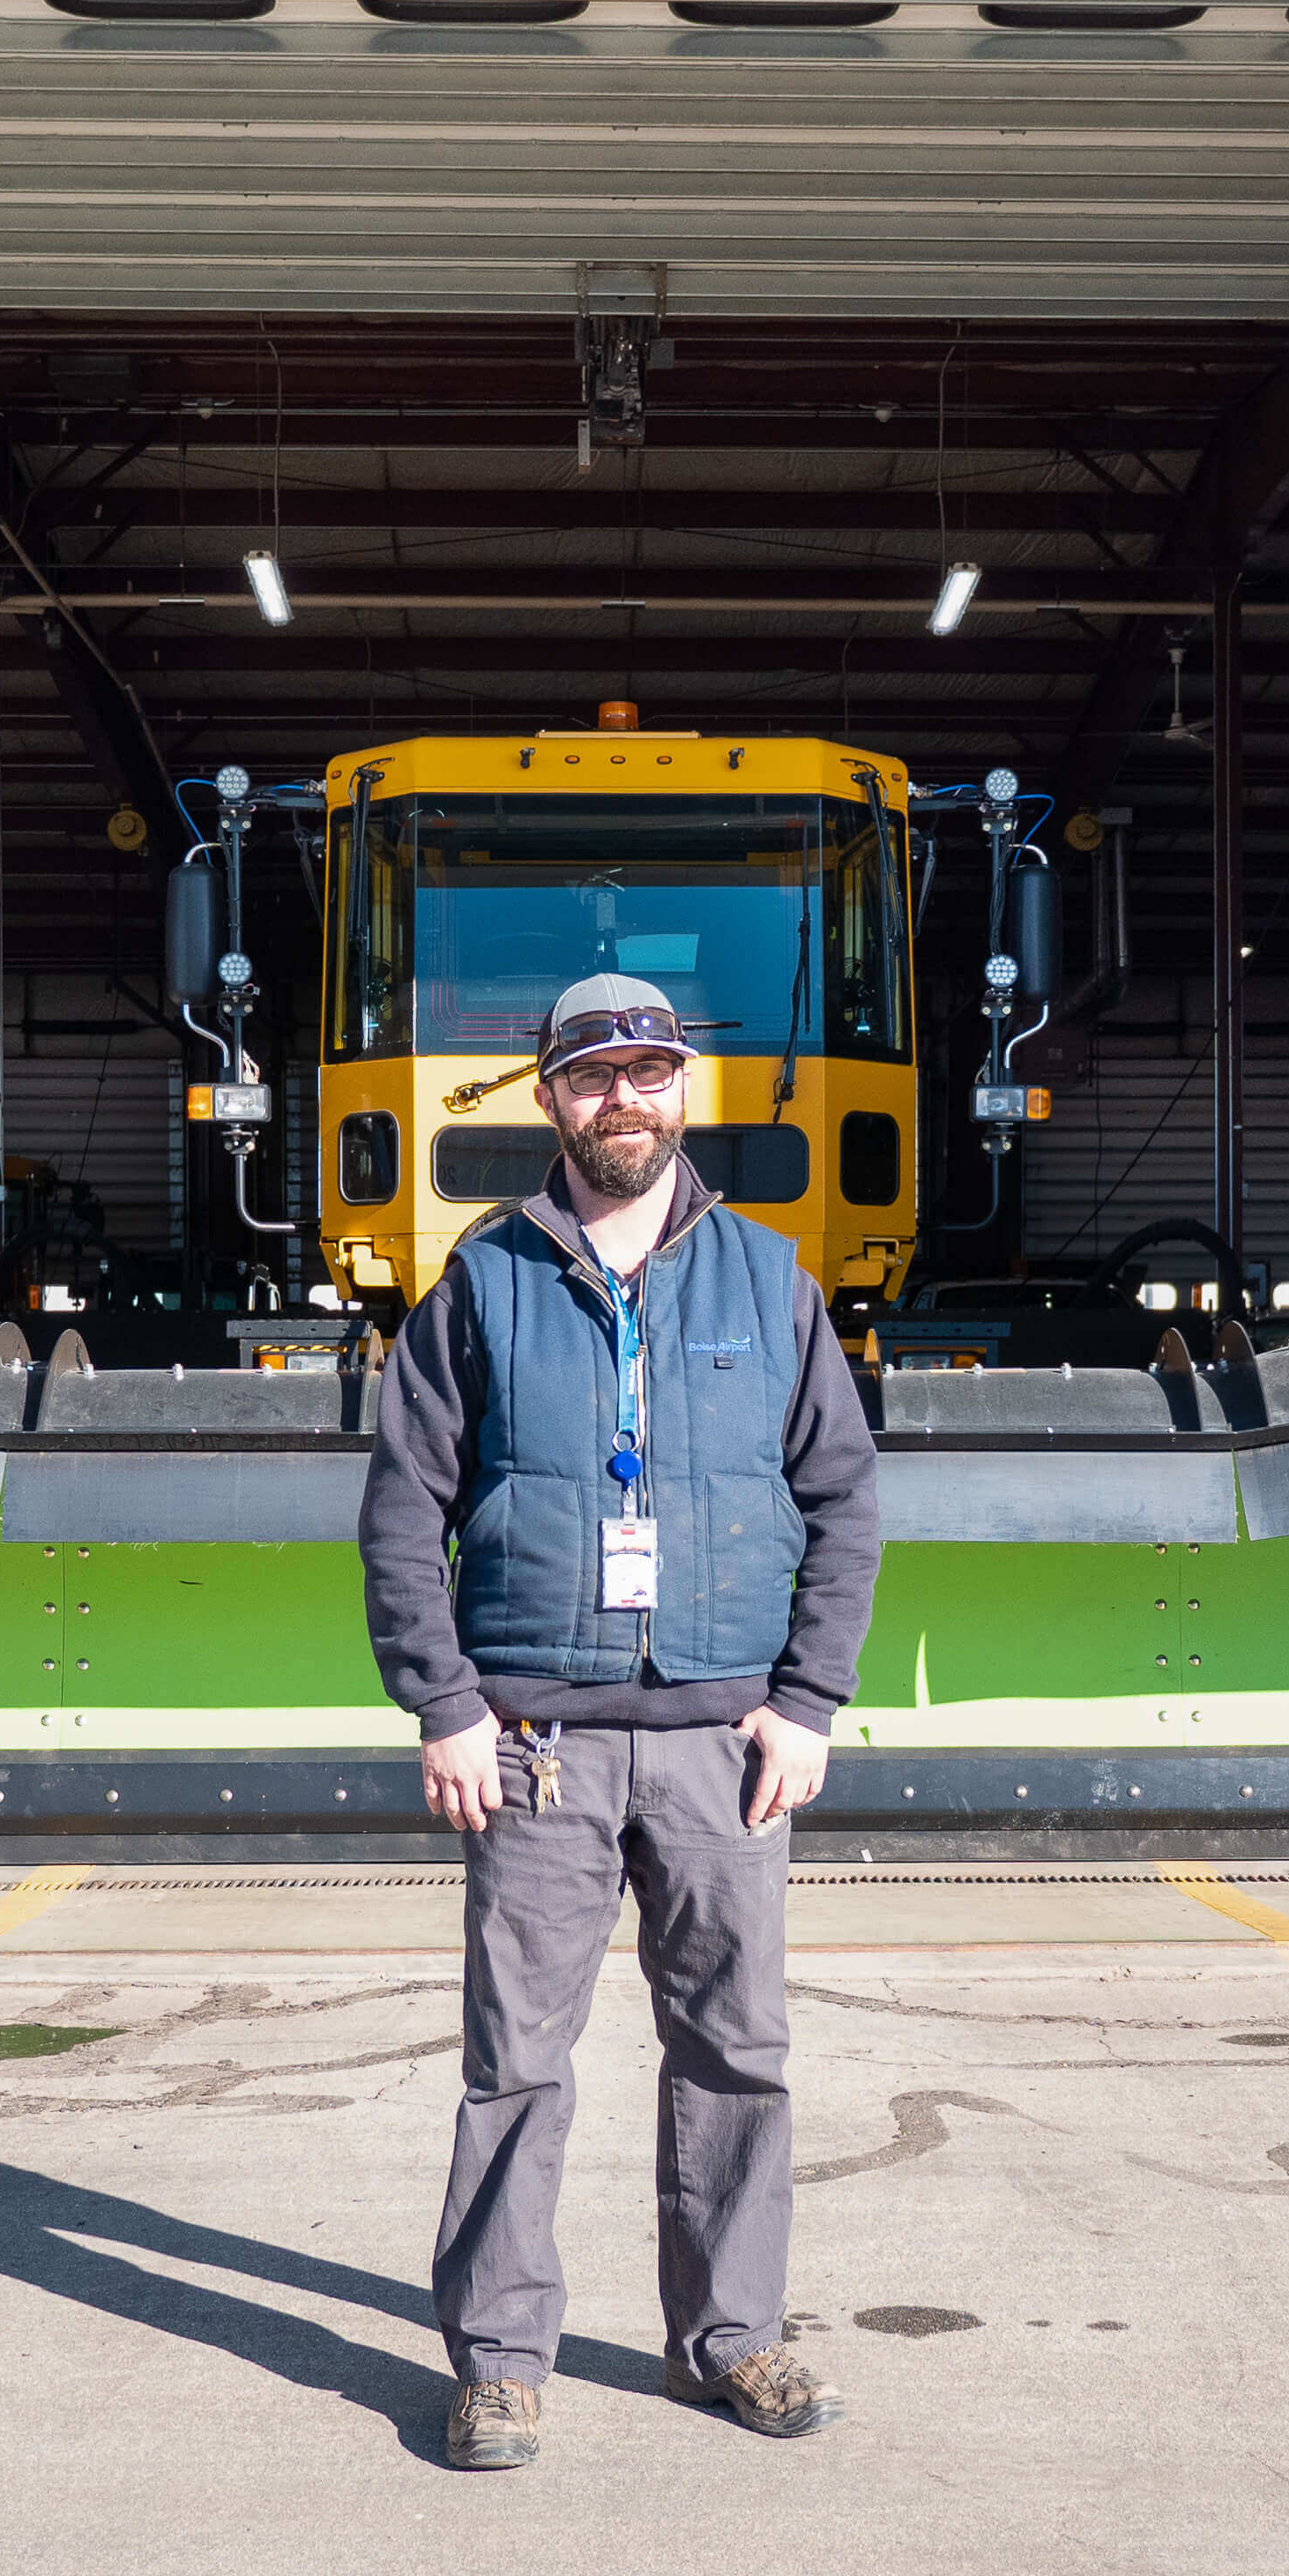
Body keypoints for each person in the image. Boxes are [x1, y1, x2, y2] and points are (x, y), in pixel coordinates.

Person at [359, 974, 883, 2471]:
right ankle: (503, 2358)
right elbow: (405, 1510)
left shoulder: (770, 1284)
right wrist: (445, 1704)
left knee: (737, 2050)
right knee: (515, 2059)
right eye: (593, 1075)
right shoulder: (478, 1285)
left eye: (650, 1072)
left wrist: (807, 1701)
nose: (624, 1100)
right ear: (548, 1095)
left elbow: (842, 1503)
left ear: (685, 1093)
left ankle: (729, 2336)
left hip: (727, 1747)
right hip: (534, 1744)